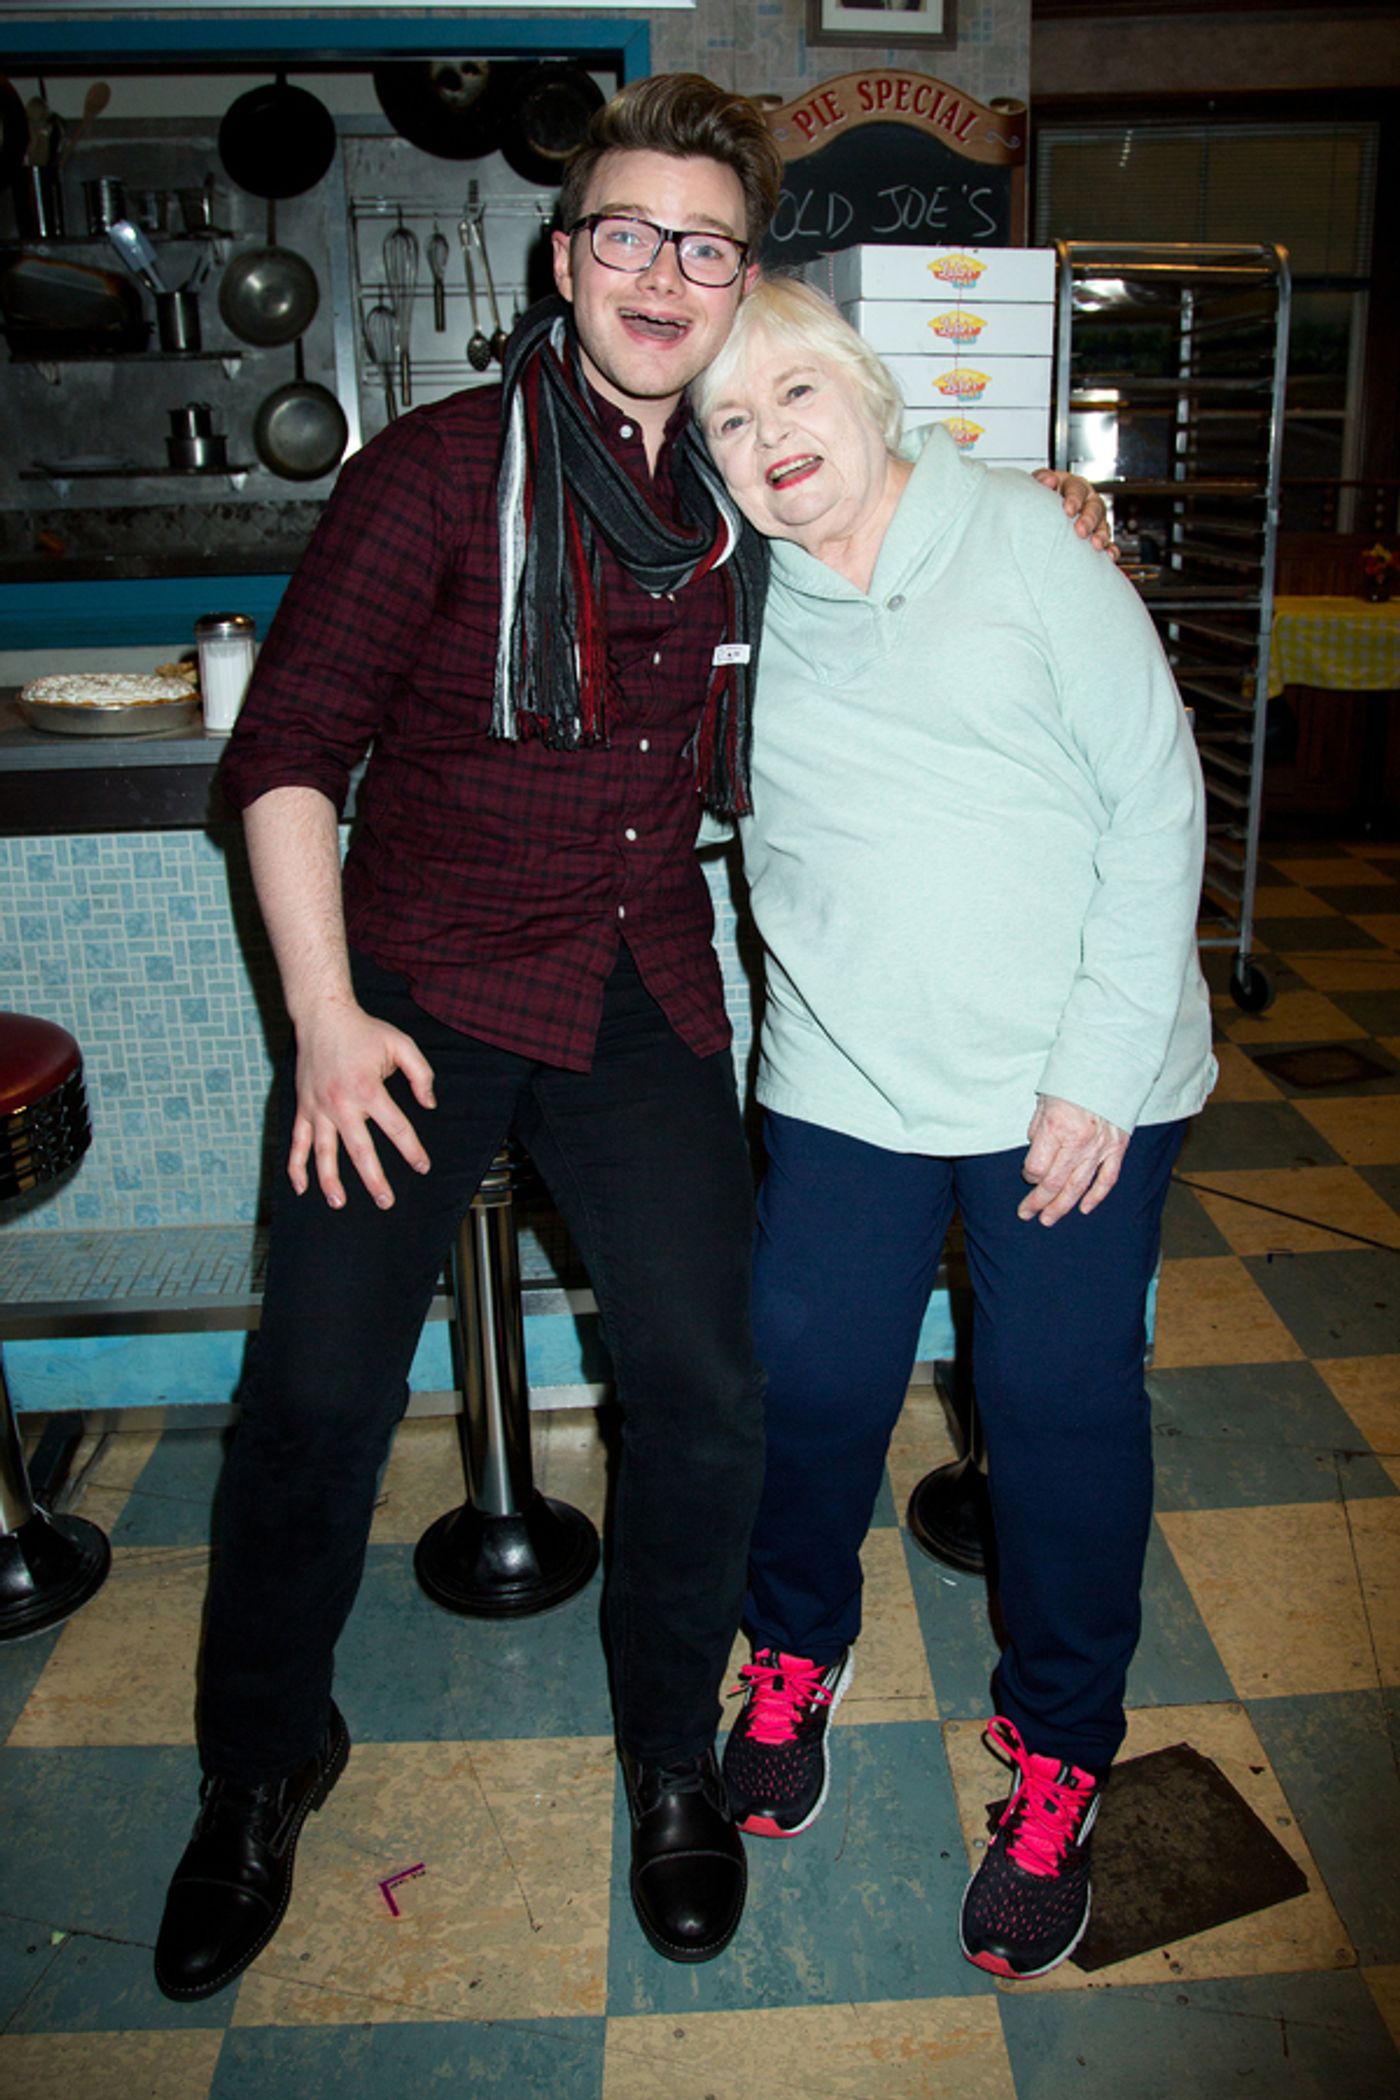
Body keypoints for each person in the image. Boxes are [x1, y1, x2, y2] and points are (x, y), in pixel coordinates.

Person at [153, 75, 1107, 1997]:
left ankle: (674, 1754)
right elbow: (285, 754)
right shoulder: (430, 473)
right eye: (625, 235)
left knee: (709, 1381)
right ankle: (260, 1766)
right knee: (320, 1395)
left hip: (639, 981)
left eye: (702, 244)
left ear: (739, 276)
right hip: (413, 985)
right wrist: (324, 1025)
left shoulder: (748, 489)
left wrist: (1044, 513)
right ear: (562, 256)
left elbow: (906, 534)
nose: (661, 274)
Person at [691, 276, 1216, 1980]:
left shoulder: (1028, 542)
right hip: (848, 1074)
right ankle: (792, 1654)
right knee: (809, 1371)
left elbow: (1157, 794)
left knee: (1056, 1403)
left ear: (864, 387)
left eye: (792, 397)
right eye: (728, 421)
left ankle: (1061, 1747)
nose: (769, 441)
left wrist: (1098, 1067)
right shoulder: (729, 598)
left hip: (1075, 1071)